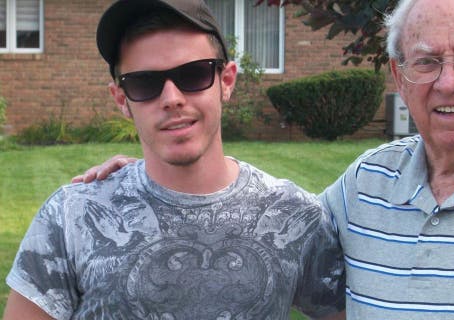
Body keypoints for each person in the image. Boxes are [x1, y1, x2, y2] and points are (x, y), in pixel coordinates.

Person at [69, 0, 454, 319]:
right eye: (424, 62)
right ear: (398, 76)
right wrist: (149, 179)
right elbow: (266, 228)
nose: (447, 83)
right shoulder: (367, 183)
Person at [3, 1, 345, 319]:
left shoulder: (294, 216)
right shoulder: (71, 216)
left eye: (193, 74)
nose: (171, 98)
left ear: (226, 82)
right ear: (122, 100)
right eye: (144, 82)